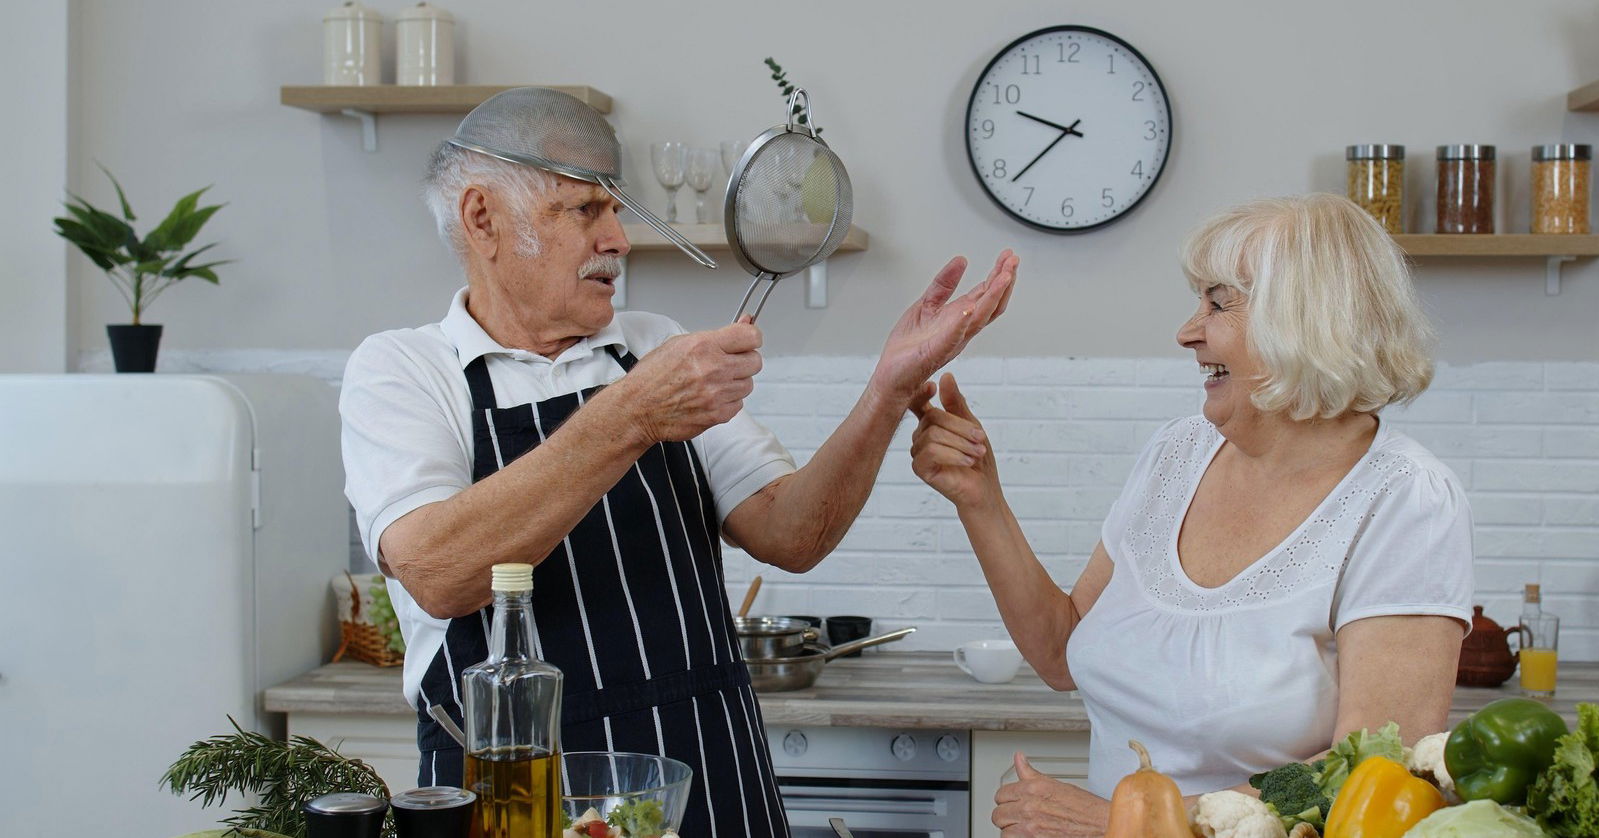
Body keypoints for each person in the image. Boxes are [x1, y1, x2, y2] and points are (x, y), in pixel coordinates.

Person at [340, 88, 1016, 838]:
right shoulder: (403, 371)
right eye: (586, 210)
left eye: (616, 209)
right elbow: (439, 572)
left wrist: (886, 391)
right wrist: (632, 415)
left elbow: (793, 534)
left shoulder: (654, 344)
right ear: (482, 219)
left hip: (711, 776)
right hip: (518, 796)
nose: (619, 239)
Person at [909, 193, 1472, 836]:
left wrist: (1132, 825)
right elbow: (1063, 653)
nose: (1187, 331)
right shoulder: (1179, 453)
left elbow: (1377, 772)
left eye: (1218, 302)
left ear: (1307, 321)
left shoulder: (1405, 499)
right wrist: (981, 499)